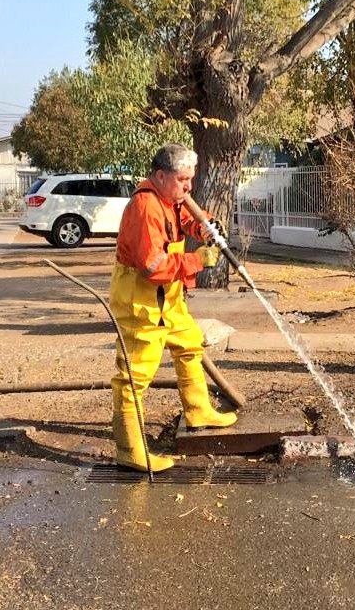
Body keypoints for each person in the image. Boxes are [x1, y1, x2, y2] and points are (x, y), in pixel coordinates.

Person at [109, 143, 237, 472]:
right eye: (183, 179)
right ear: (161, 175)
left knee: (189, 344)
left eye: (190, 180)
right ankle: (129, 449)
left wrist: (208, 226)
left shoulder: (171, 201)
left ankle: (197, 410)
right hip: (142, 298)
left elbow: (188, 220)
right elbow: (152, 266)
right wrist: (197, 259)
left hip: (168, 296)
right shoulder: (145, 207)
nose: (189, 187)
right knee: (135, 375)